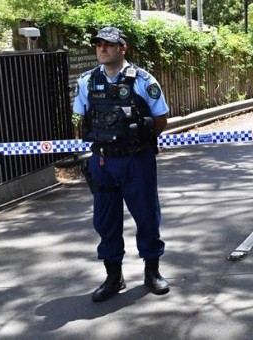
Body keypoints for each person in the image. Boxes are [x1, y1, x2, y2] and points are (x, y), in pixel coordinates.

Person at [73, 27, 170, 302]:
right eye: (98, 44)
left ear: (122, 48)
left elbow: (161, 119)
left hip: (137, 160)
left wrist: (139, 135)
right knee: (105, 221)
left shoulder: (142, 80)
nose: (102, 49)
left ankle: (152, 271)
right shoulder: (87, 82)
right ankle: (113, 276)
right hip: (103, 161)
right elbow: (81, 119)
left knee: (147, 217)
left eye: (109, 45)